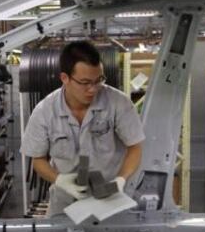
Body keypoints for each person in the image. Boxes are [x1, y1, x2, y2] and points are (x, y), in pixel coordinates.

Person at [21, 41, 145, 216]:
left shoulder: (119, 103)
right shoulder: (44, 111)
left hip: (110, 200)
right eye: (85, 82)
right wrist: (59, 179)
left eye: (98, 80)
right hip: (65, 203)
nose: (93, 89)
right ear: (65, 78)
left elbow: (135, 147)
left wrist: (121, 179)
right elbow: (38, 159)